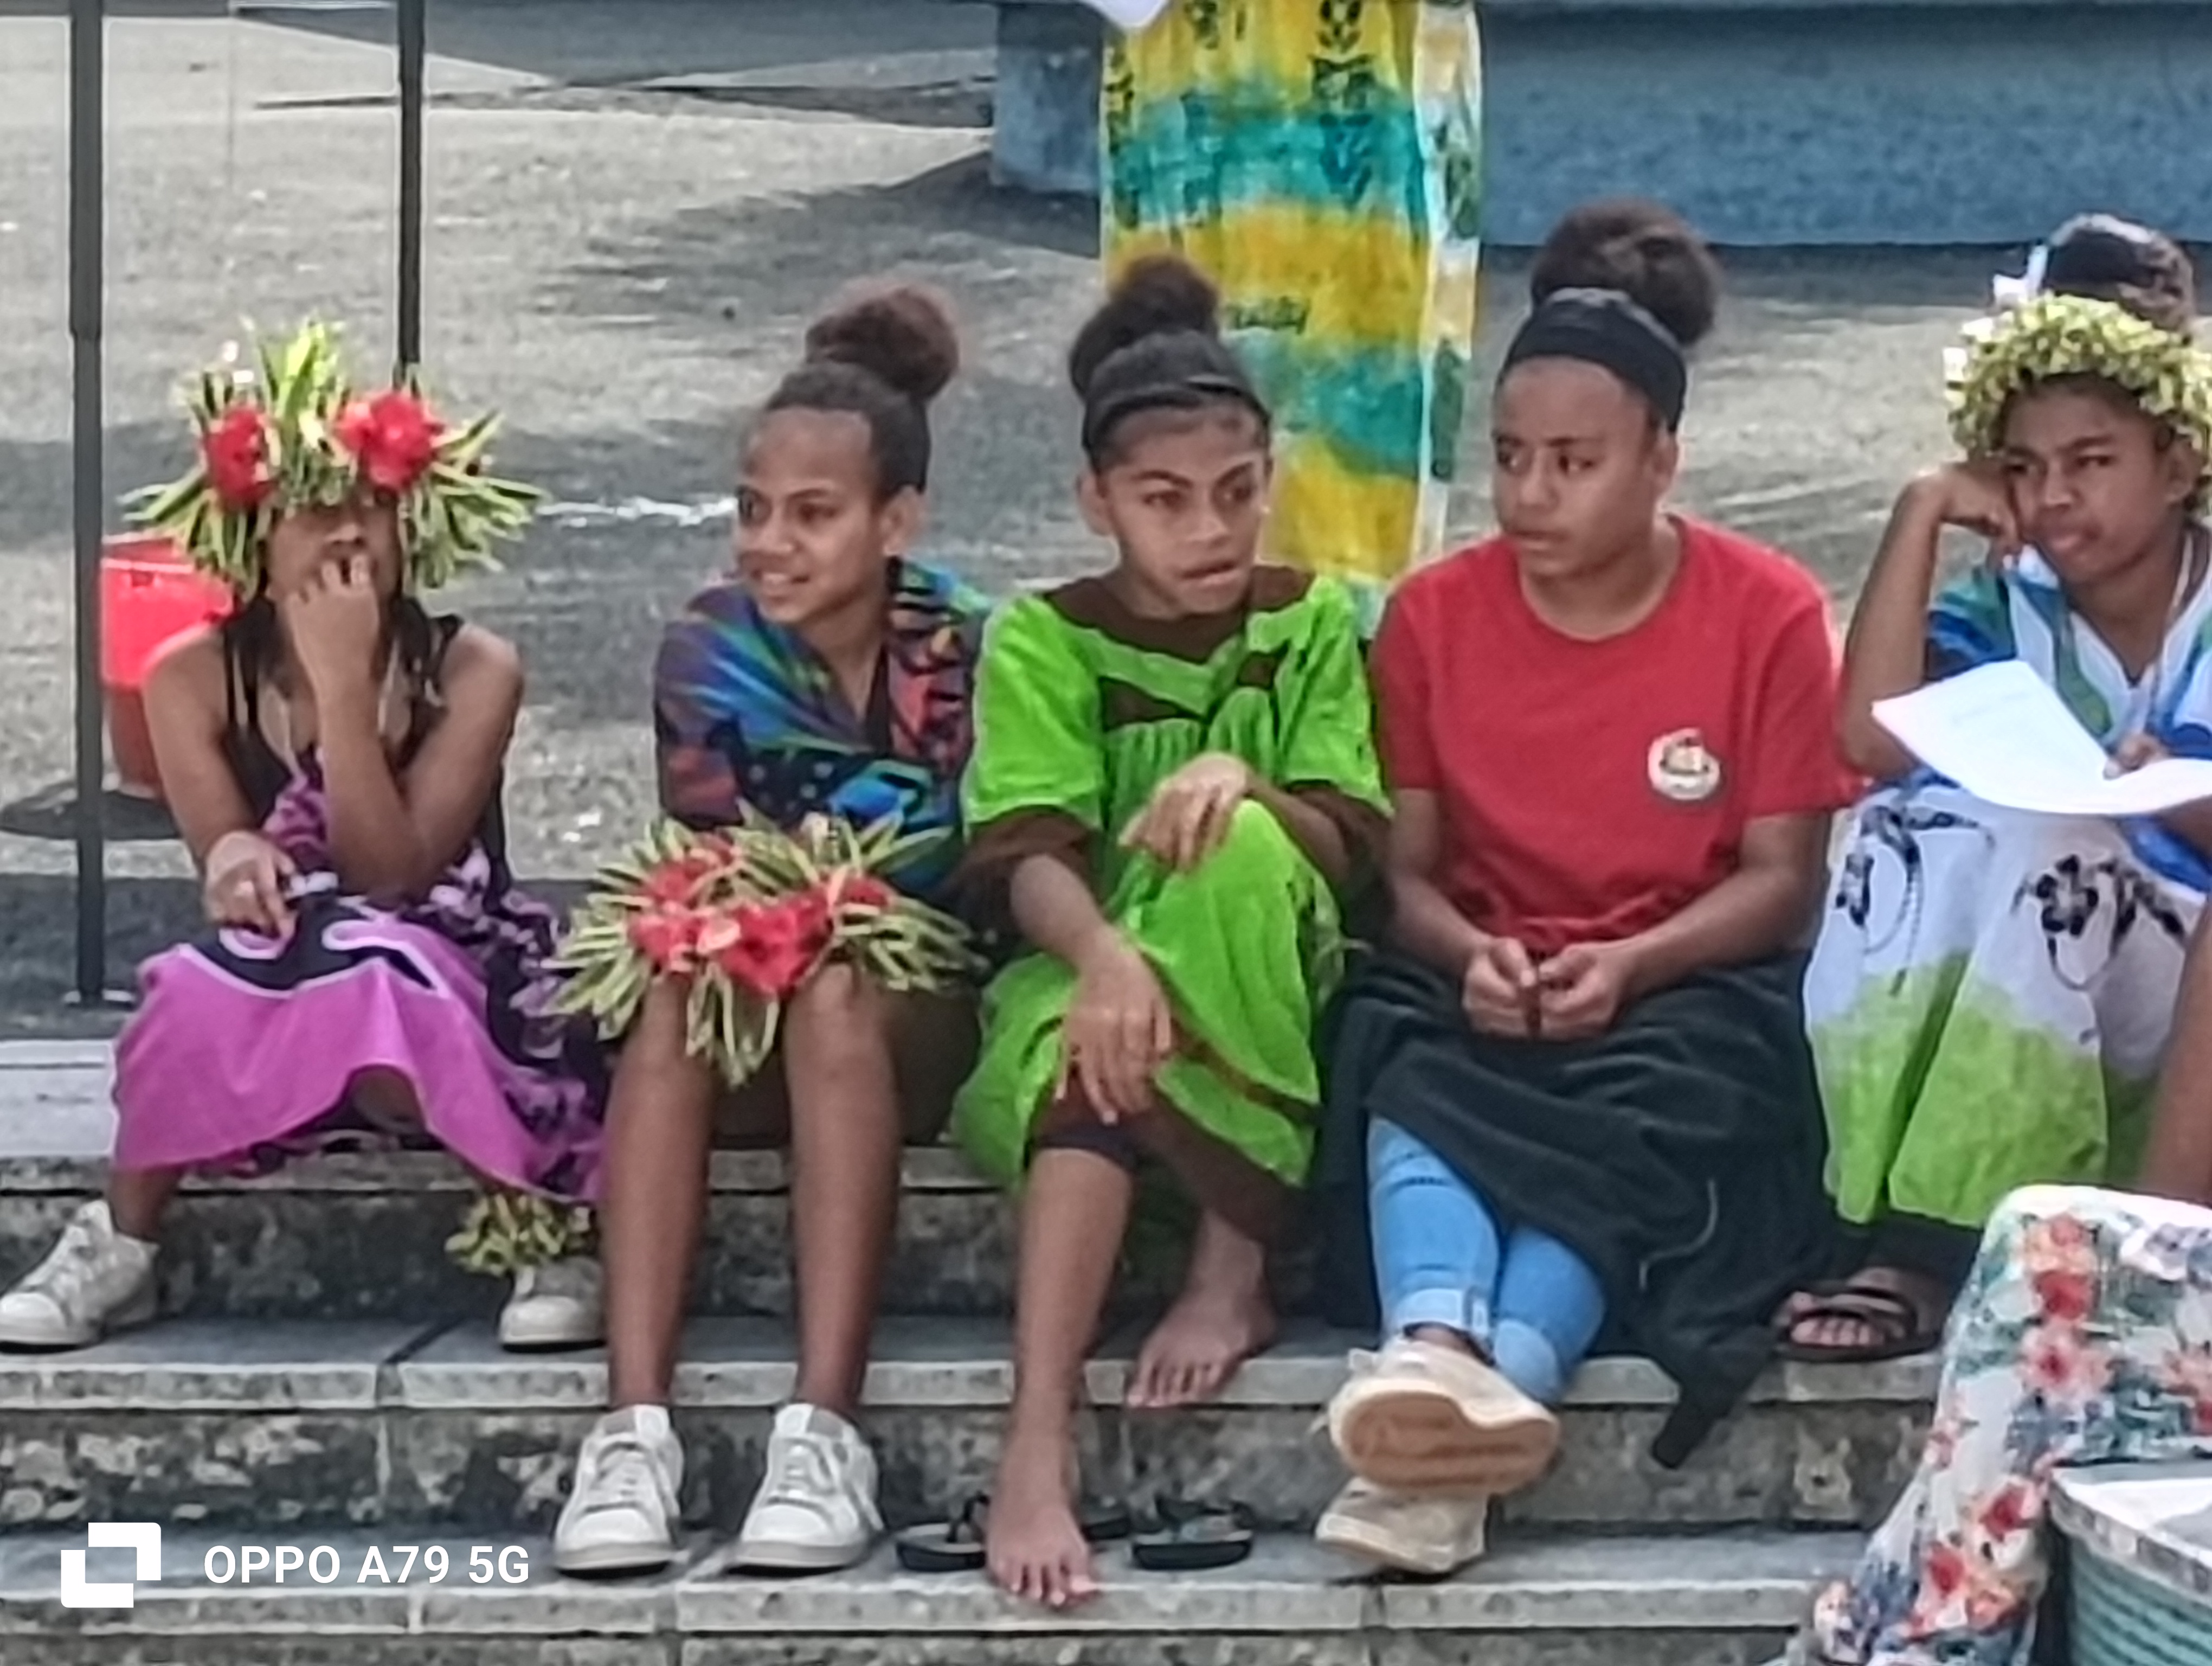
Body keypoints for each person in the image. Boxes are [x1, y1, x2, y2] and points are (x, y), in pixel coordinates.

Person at [1314, 200, 1854, 1578]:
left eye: (1572, 462)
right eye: (1508, 458)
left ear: (1661, 459)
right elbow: (1406, 876)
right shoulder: (1432, 619)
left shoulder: (1768, 611)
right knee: (1404, 1049)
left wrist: (1631, 964)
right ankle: (1440, 1347)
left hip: (1681, 985)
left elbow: (1780, 883)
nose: (1529, 495)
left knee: (1657, 1102)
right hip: (1482, 976)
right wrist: (1470, 953)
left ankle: (1478, 1397)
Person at [0, 323, 608, 1354]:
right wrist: (236, 857)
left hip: (449, 958)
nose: (347, 537)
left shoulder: (473, 670)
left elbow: (391, 875)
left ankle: (537, 1226)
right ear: (254, 541)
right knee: (187, 985)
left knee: (378, 964)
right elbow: (226, 858)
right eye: (314, 513)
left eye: (372, 508)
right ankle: (121, 1241)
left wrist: (342, 691)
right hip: (284, 968)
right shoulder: (191, 677)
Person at [953, 254, 1389, 1607]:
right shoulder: (1043, 636)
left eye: (1238, 491)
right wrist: (1102, 956)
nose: (1210, 528)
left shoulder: (1307, 620)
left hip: (1270, 969)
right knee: (1091, 1051)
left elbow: (1348, 841)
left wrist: (1242, 778)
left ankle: (1231, 1261)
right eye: (1164, 500)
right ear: (1097, 502)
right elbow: (1023, 850)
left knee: (1242, 844)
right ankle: (1036, 1435)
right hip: (1080, 966)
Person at [551, 287, 989, 1578]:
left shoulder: (965, 644)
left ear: (895, 521)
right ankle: (630, 1433)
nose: (769, 543)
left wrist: (821, 890)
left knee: (838, 989)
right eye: (752, 509)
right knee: (674, 986)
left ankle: (823, 1433)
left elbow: (957, 858)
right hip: (748, 1004)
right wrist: (804, 889)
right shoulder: (706, 649)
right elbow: (710, 859)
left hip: (915, 1015)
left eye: (812, 513)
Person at [1785, 215, 2212, 1363]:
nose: (2055, 496)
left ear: (2179, 466)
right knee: (1914, 830)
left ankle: (1942, 1247)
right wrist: (1922, 508)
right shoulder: (2008, 610)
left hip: (2179, 990)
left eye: (2093, 463)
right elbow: (1871, 740)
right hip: (2054, 954)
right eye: (2024, 468)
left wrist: (2170, 793)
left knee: (2049, 845)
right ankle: (1921, 1220)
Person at [1099, 0, 1483, 582]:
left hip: (1359, 61)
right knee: (1174, 370)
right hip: (1182, 60)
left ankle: (1348, 618)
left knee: (1360, 396)